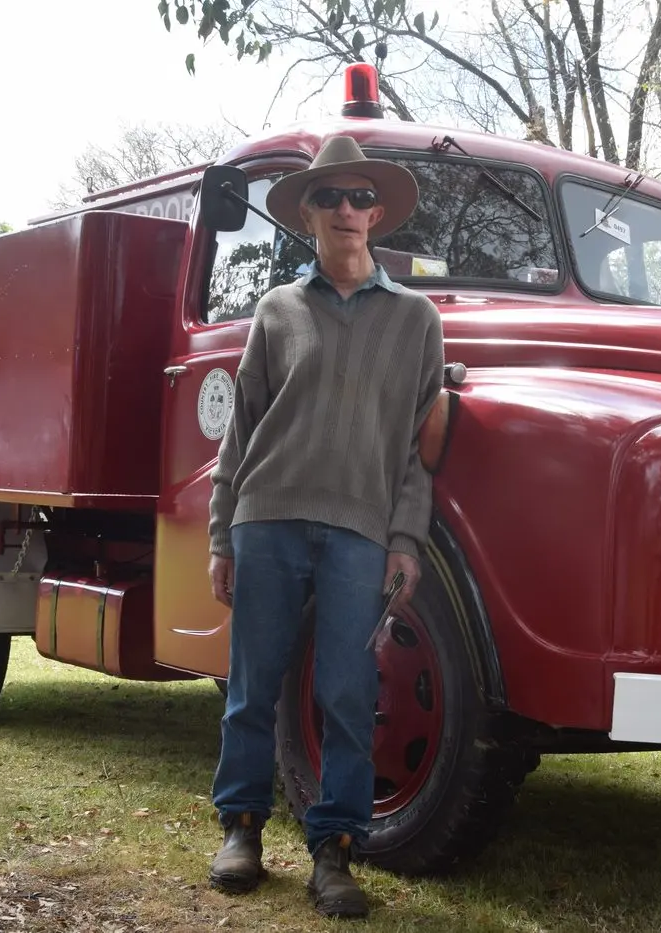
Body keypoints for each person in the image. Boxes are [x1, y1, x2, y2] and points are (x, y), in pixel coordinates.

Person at [203, 135, 445, 918]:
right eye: (330, 197)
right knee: (253, 686)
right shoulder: (276, 310)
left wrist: (404, 539)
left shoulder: (417, 321)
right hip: (265, 519)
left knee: (348, 689)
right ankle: (240, 828)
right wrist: (219, 533)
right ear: (307, 212)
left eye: (359, 197)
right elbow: (240, 431)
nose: (346, 210)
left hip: (359, 531)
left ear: (376, 213)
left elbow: (420, 447)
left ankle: (334, 850)